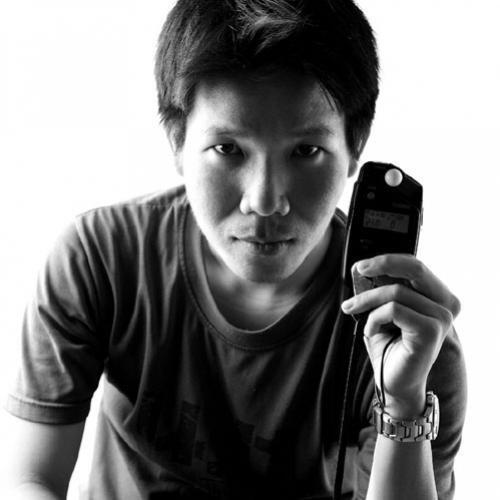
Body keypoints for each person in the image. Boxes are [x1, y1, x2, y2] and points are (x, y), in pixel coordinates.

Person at [5, 0, 466, 499]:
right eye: (228, 149)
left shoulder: (408, 337)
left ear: (355, 146)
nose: (264, 201)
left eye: (306, 151)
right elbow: (31, 479)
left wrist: (403, 402)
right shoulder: (102, 257)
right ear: (176, 141)